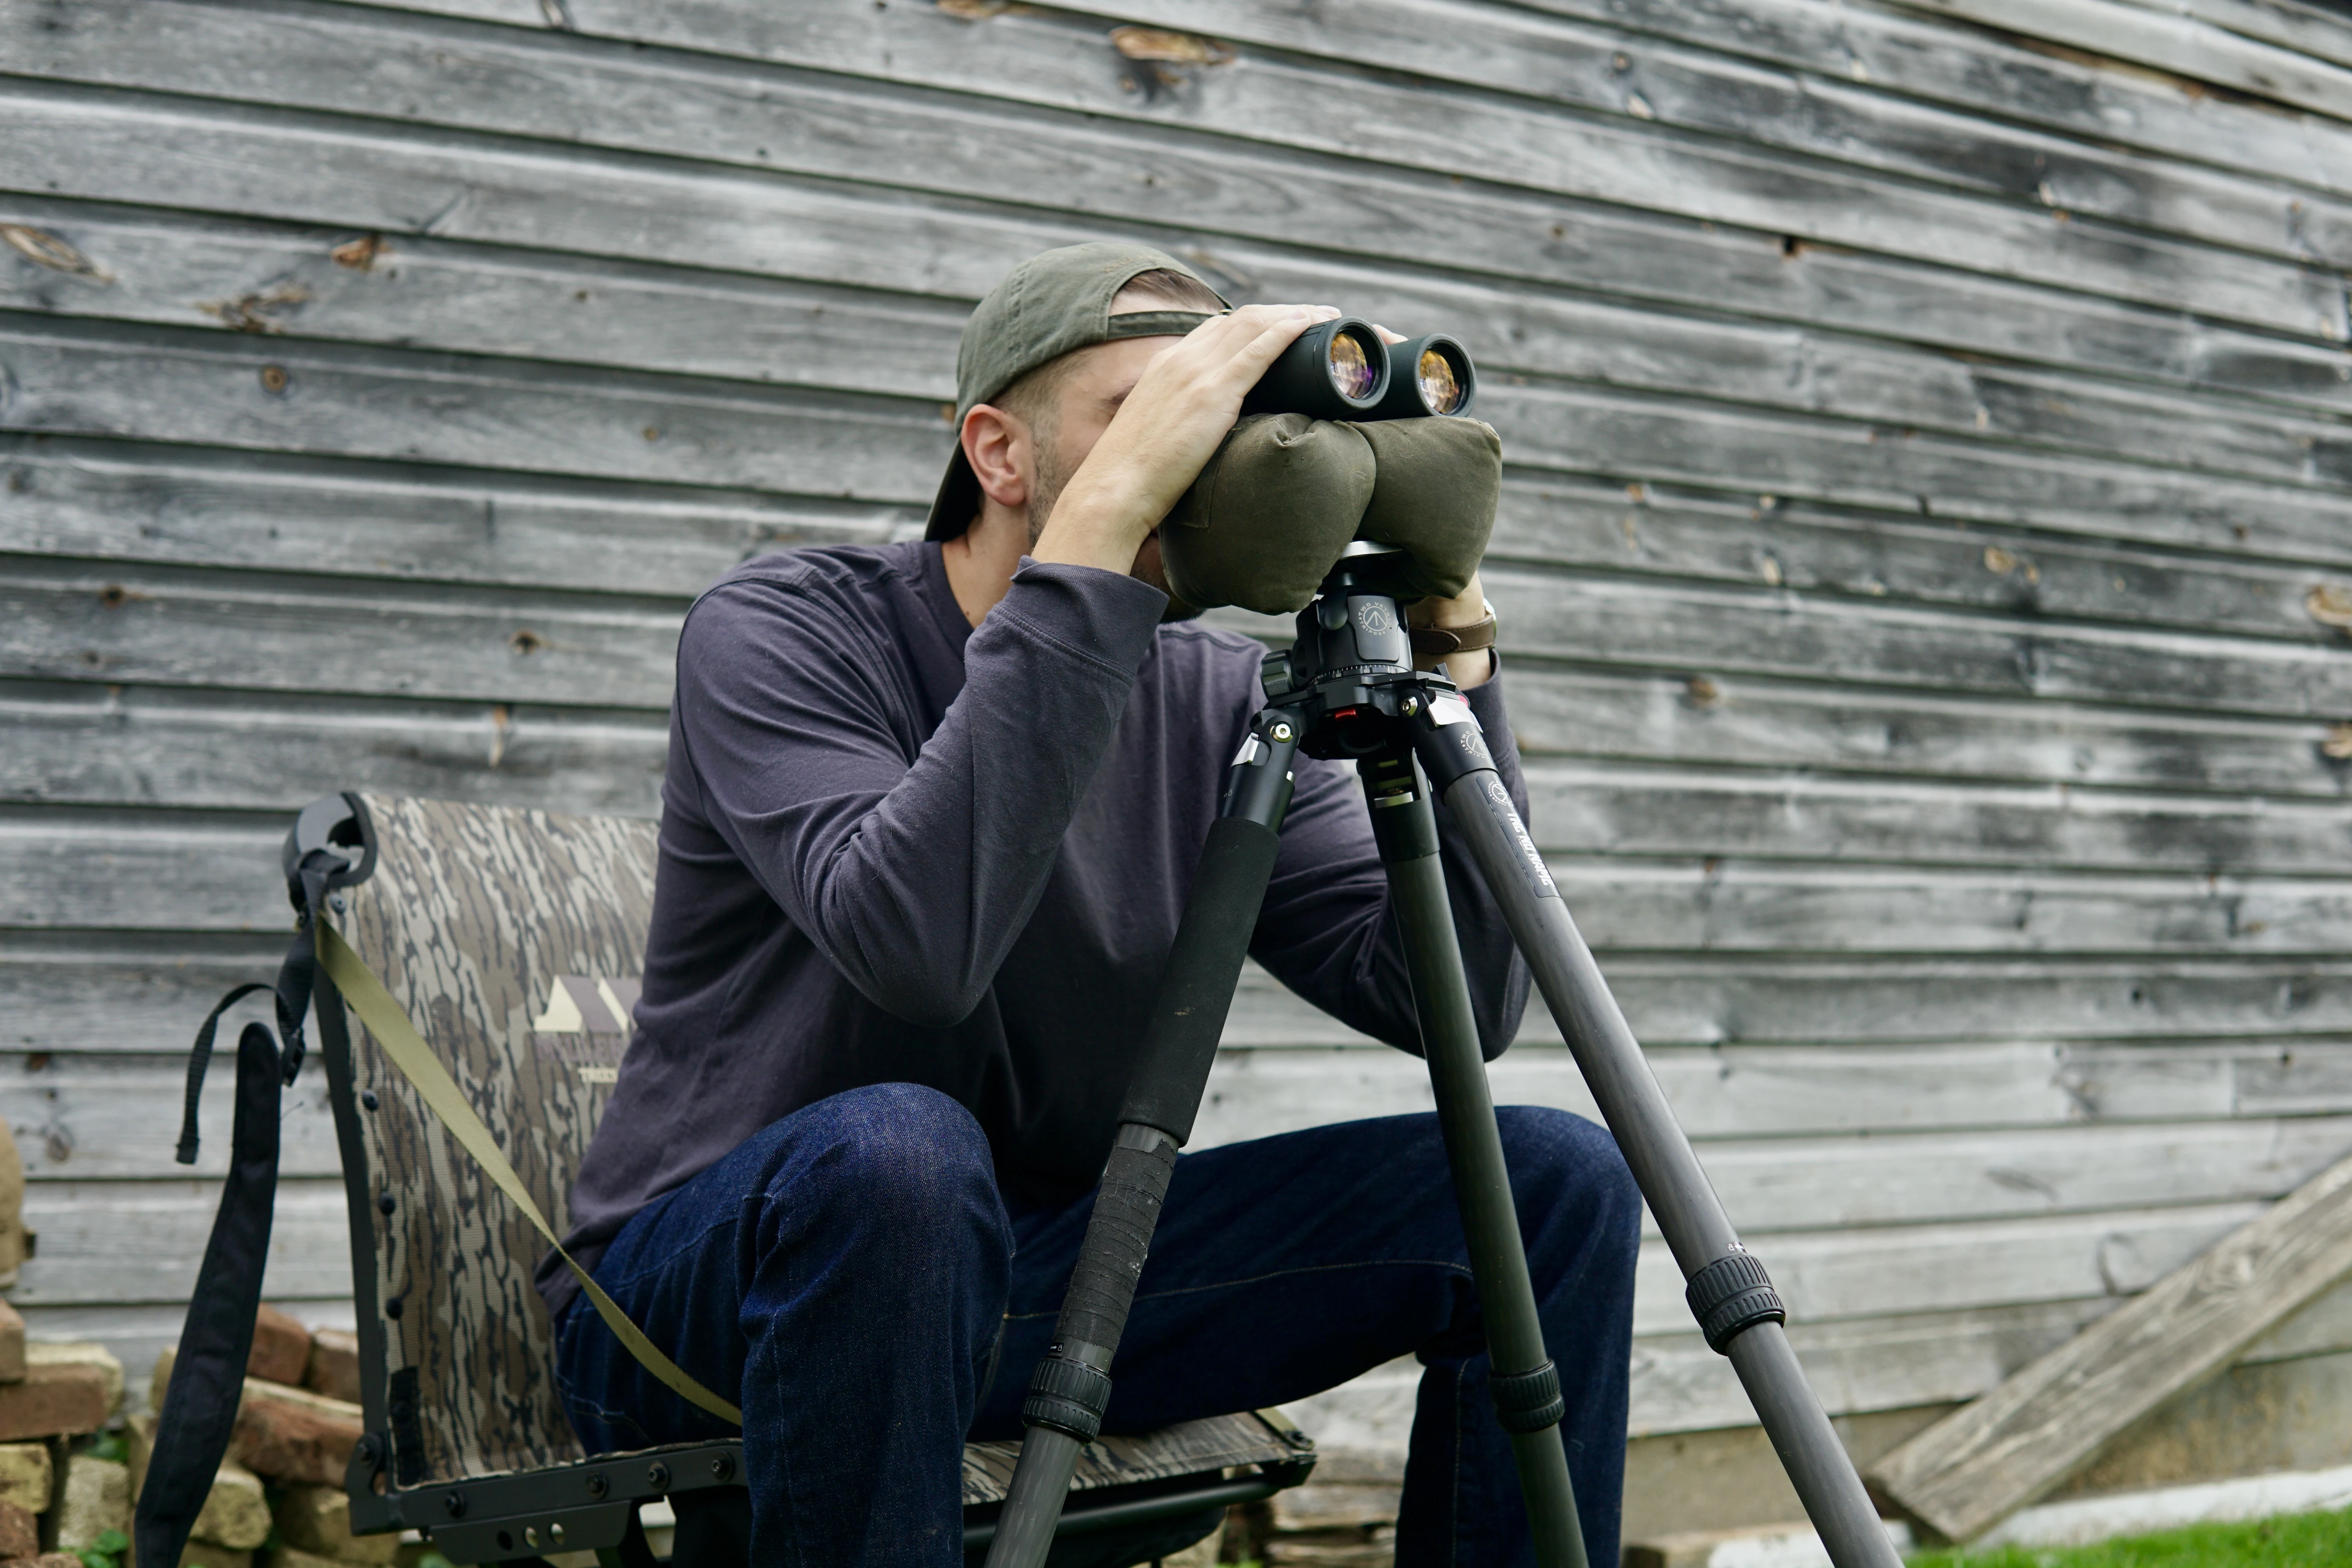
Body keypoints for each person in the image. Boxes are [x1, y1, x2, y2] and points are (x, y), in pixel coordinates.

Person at [540, 242, 1640, 1567]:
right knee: (904, 1155)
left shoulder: (1217, 699)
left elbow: (1453, 996)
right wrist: (1103, 548)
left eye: (1221, 418)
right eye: (1147, 416)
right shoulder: (785, 628)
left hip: (1037, 1280)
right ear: (1001, 457)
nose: (1200, 455)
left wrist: (1453, 635)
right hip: (714, 1290)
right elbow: (918, 946)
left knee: (1546, 1184)